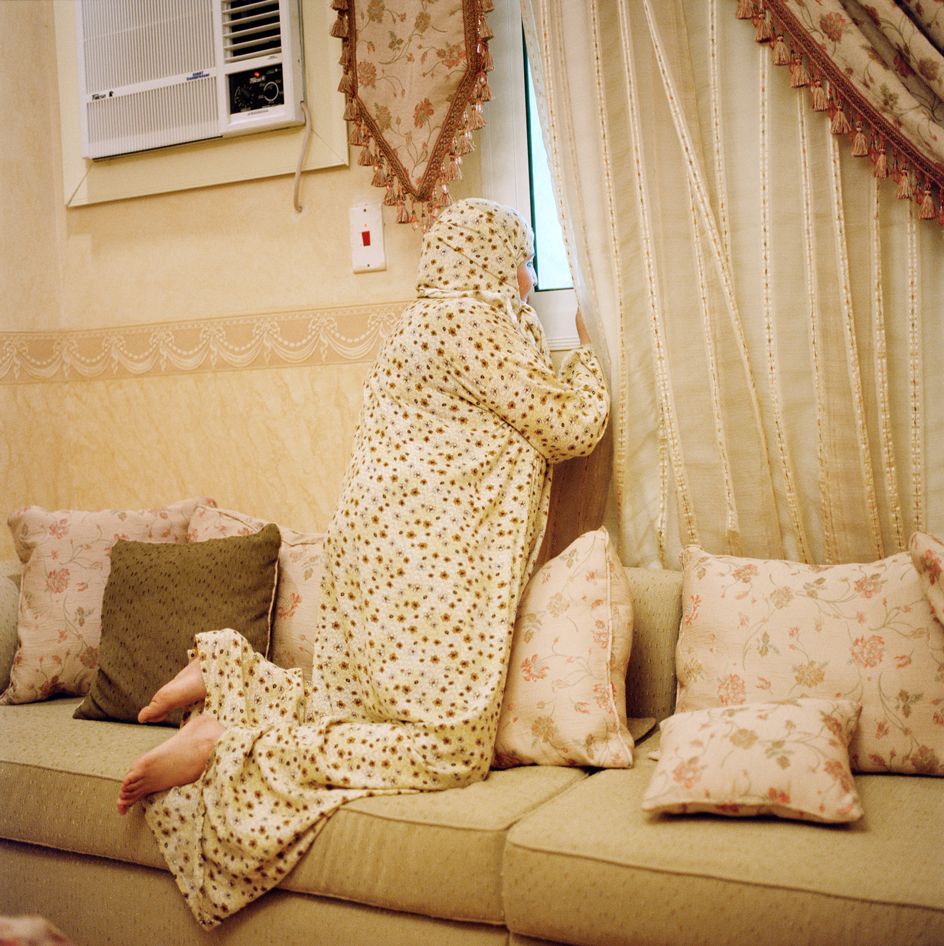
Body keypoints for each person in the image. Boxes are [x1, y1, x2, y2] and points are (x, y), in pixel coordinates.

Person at [117, 197, 609, 928]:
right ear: (490, 261)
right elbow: (568, 427)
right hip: (426, 562)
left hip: (374, 555)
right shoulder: (472, 322)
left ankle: (231, 678)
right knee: (448, 748)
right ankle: (235, 739)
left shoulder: (415, 325)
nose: (528, 277)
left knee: (355, 709)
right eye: (521, 259)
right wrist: (591, 348)